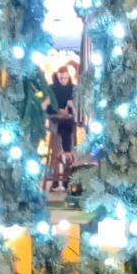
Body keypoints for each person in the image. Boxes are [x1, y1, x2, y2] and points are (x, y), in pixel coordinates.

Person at [45, 62, 78, 191]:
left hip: (68, 123)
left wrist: (70, 108)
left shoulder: (73, 89)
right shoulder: (52, 88)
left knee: (67, 146)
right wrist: (57, 110)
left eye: (65, 78)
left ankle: (66, 179)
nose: (64, 81)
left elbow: (77, 109)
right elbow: (48, 107)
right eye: (61, 78)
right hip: (55, 122)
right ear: (57, 77)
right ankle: (56, 180)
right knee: (56, 149)